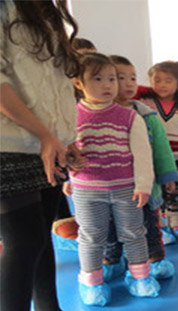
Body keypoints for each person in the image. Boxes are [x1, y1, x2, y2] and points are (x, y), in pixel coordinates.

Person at [0, 0, 100, 311]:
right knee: (22, 239)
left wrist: (63, 138)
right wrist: (45, 135)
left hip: (47, 142)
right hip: (9, 141)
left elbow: (54, 86)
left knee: (42, 232)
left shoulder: (47, 11)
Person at [69, 53, 160, 306]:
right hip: (87, 190)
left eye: (112, 79)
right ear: (79, 83)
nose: (107, 85)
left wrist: (143, 185)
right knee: (91, 235)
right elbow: (66, 150)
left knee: (134, 233)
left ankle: (140, 277)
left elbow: (142, 154)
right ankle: (91, 282)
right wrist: (68, 173)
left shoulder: (129, 116)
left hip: (125, 188)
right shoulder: (71, 115)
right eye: (98, 79)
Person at [97, 55, 178, 281]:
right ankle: (112, 259)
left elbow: (161, 148)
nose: (129, 83)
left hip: (142, 186)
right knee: (109, 225)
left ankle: (155, 259)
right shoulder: (97, 115)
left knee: (148, 224)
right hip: (110, 187)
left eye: (133, 78)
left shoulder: (146, 115)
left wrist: (167, 175)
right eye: (120, 77)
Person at [138, 61, 178, 242]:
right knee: (156, 195)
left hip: (176, 160)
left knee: (175, 195)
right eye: (157, 80)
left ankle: (176, 224)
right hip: (151, 159)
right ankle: (159, 227)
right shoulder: (144, 104)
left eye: (168, 80)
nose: (162, 85)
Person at [51, 37, 97, 244]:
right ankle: (62, 218)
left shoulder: (98, 89)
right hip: (61, 148)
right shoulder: (62, 88)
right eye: (81, 57)